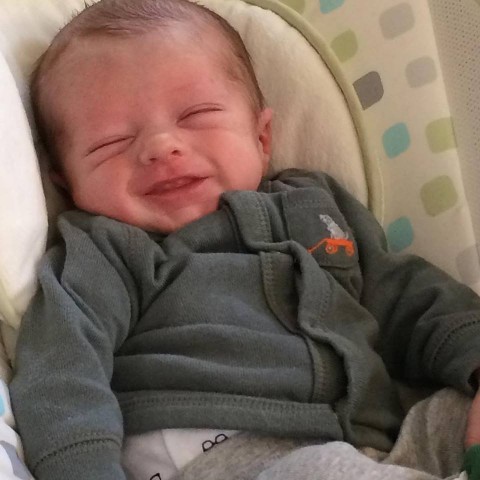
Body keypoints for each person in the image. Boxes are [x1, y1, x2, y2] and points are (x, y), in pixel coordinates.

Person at [9, 0, 480, 479]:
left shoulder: (315, 205)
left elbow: (405, 296)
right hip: (222, 447)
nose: (161, 147)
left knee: (455, 410)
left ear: (262, 137)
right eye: (111, 142)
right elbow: (62, 370)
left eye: (196, 114)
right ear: (66, 181)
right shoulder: (105, 251)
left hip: (373, 441)